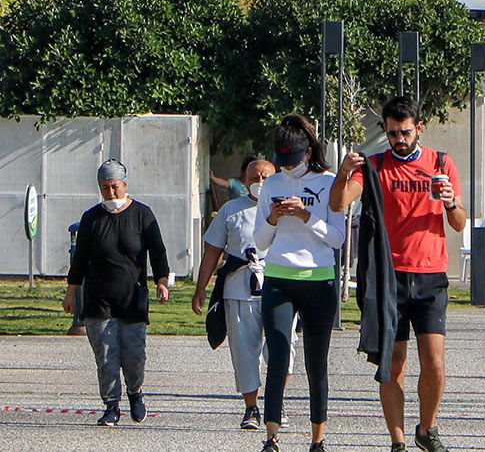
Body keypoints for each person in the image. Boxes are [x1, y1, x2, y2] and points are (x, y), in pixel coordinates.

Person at [330, 95, 466, 452]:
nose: (399, 140)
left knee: (434, 361)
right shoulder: (373, 166)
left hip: (430, 274)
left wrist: (450, 201)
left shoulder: (440, 163)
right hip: (388, 277)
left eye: (405, 132)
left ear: (418, 128)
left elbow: (459, 222)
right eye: (392, 133)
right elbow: (339, 203)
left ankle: (427, 428)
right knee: (394, 362)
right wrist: (344, 172)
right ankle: (398, 440)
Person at [254, 115, 345, 452]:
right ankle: (271, 435)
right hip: (278, 276)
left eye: (293, 161)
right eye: (283, 162)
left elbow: (337, 238)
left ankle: (317, 437)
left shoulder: (328, 181)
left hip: (318, 278)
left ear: (308, 152)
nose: (287, 168)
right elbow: (260, 241)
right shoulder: (272, 184)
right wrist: (274, 217)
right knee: (277, 352)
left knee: (315, 360)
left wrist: (307, 217)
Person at [192, 158, 297, 431]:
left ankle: (277, 402)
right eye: (254, 177)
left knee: (283, 348)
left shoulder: (290, 208)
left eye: (265, 177)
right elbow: (212, 251)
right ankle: (251, 407)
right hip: (239, 288)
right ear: (245, 180)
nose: (259, 182)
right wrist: (200, 288)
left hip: (281, 286)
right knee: (244, 352)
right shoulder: (231, 210)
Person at [63, 159, 170, 427]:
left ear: (125, 185)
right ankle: (111, 405)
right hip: (99, 298)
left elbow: (157, 250)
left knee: (133, 354)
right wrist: (71, 291)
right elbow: (80, 258)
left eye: (115, 187)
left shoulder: (142, 214)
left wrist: (161, 280)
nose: (111, 193)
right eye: (104, 188)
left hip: (132, 297)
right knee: (106, 354)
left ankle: (135, 393)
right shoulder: (92, 218)